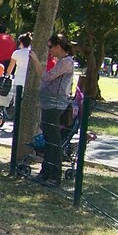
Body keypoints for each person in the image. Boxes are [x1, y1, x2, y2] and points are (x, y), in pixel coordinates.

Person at [29, 33, 76, 186]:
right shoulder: (60, 61)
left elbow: (46, 77)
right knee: (49, 141)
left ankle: (55, 176)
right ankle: (45, 172)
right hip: (48, 104)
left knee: (54, 142)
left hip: (55, 105)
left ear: (58, 46)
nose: (49, 50)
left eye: (50, 47)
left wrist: (36, 60)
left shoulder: (66, 62)